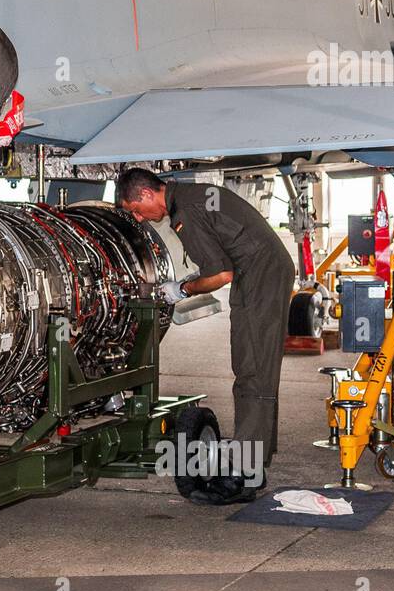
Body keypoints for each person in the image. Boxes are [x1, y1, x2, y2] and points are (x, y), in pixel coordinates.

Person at [116, 168, 295, 504]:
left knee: (252, 374)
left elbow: (221, 274)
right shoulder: (190, 197)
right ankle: (255, 464)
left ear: (145, 194)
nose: (139, 218)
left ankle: (245, 475)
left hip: (260, 277)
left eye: (136, 210)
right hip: (260, 272)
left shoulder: (185, 213)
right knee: (256, 373)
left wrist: (180, 289)